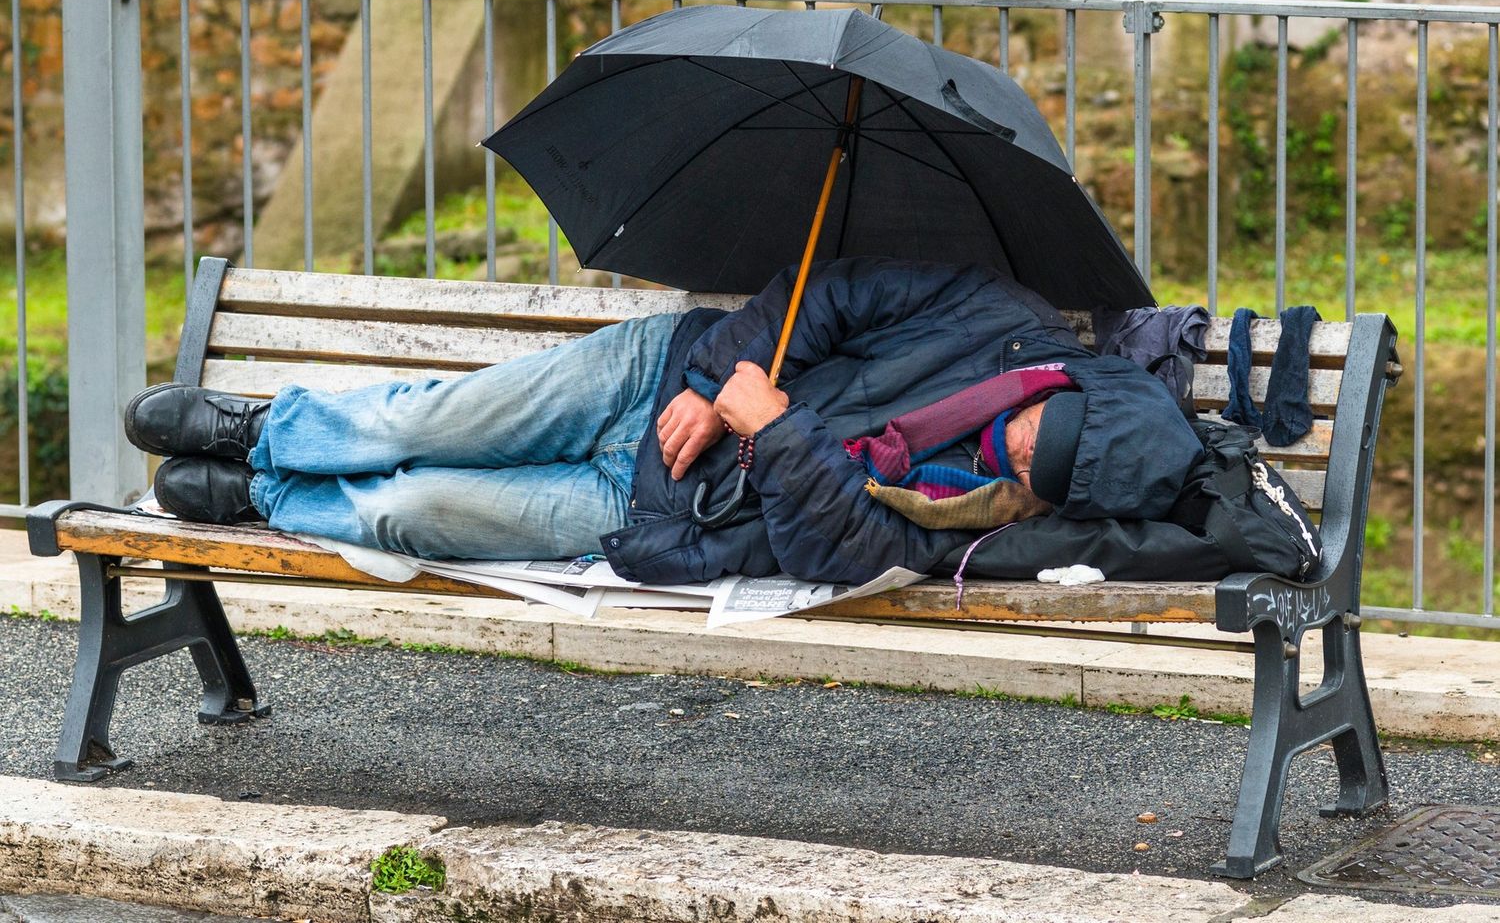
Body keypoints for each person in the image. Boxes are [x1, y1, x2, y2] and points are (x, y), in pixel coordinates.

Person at [124, 258, 1203, 587]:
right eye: (1037, 426)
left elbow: (844, 550)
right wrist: (720, 375)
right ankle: (264, 431)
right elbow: (827, 298)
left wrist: (775, 429)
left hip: (652, 508)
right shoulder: (999, 317)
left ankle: (268, 498)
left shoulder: (990, 527)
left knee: (415, 510)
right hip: (655, 382)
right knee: (430, 419)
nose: (1017, 451)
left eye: (1039, 469)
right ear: (1069, 384)